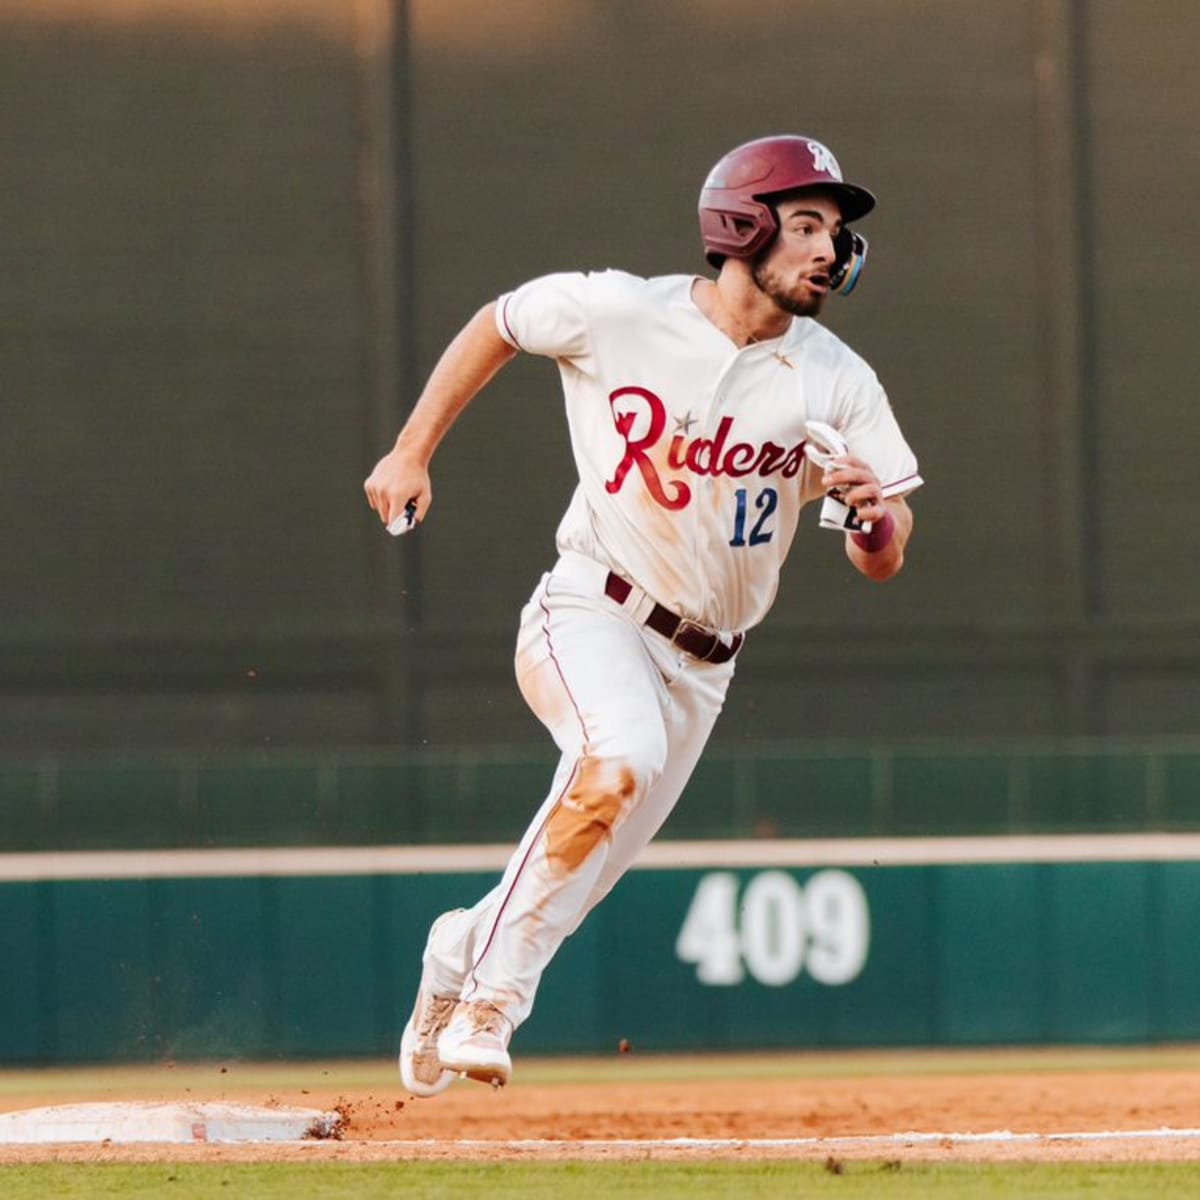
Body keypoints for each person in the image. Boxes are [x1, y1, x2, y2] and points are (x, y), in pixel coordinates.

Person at [363, 134, 923, 1095]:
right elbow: (500, 322)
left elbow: (885, 554)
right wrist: (412, 450)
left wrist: (873, 519)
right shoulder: (622, 310)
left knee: (581, 871)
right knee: (615, 757)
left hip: (707, 667)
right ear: (740, 226)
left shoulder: (836, 378)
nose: (830, 249)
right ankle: (491, 1001)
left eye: (836, 232)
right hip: (593, 607)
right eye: (805, 225)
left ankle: (457, 949)